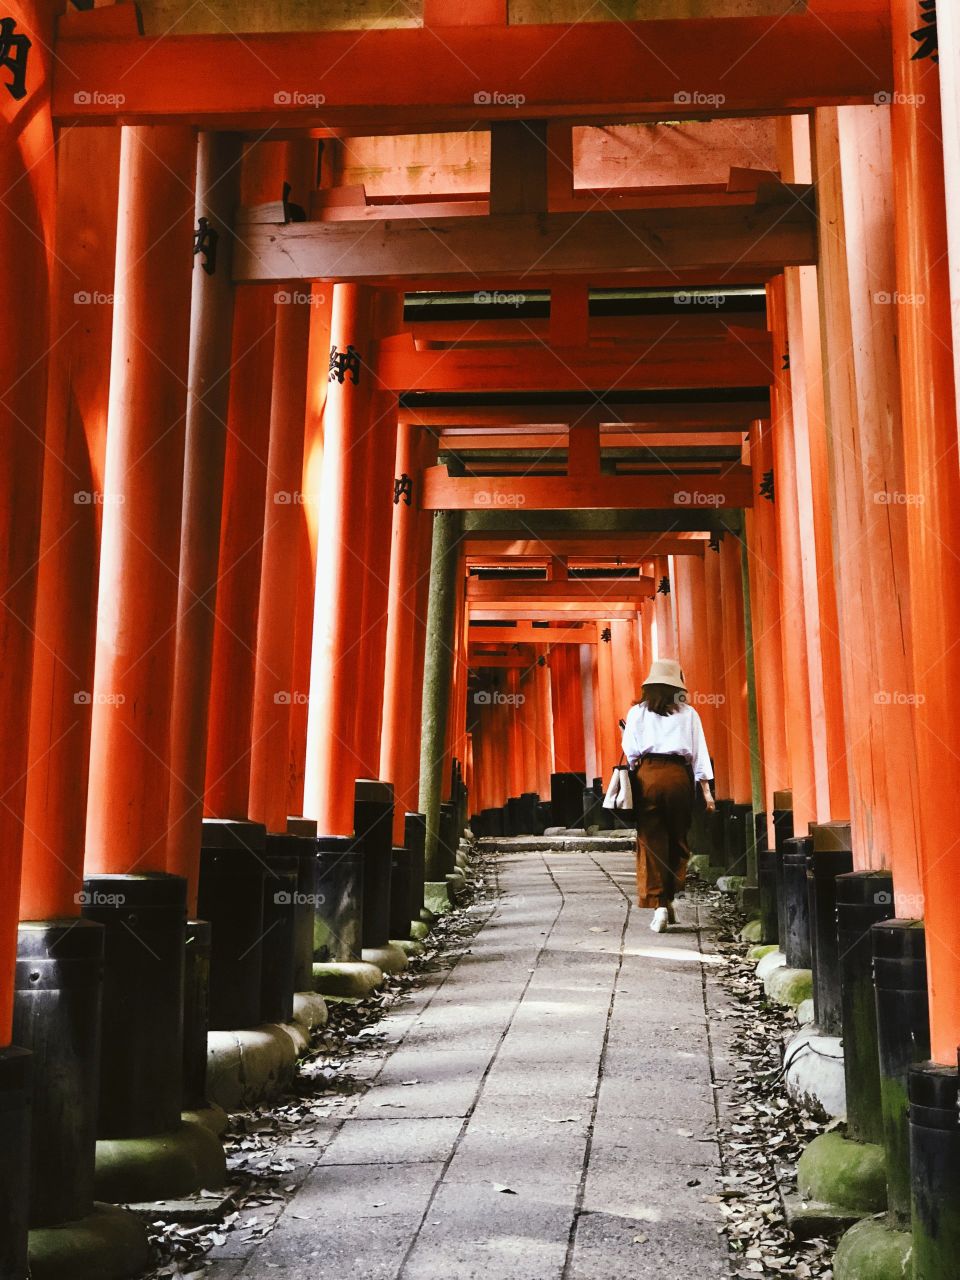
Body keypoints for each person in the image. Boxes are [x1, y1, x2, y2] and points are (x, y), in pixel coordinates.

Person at [621, 658, 715, 933]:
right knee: (677, 837)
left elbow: (631, 751)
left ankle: (658, 904)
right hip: (679, 778)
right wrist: (707, 792)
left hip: (647, 775)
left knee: (650, 840)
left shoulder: (637, 713)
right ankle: (670, 894)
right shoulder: (689, 714)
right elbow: (699, 754)